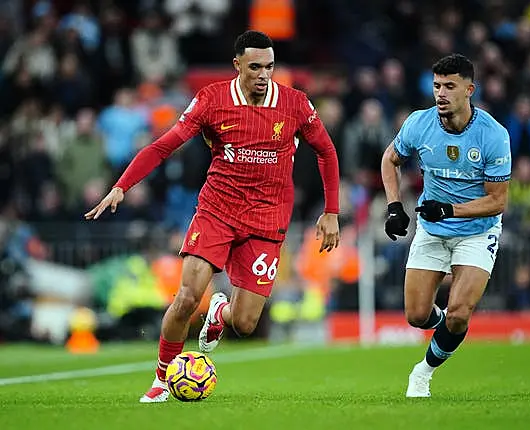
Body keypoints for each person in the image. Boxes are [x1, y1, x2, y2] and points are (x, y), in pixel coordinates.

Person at [85, 30, 341, 403]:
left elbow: (327, 152)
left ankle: (221, 311)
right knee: (187, 297)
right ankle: (161, 378)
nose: (263, 75)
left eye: (270, 67)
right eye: (255, 67)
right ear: (237, 65)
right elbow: (163, 146)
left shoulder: (295, 104)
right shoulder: (212, 100)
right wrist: (122, 186)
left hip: (268, 218)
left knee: (246, 323)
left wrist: (332, 211)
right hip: (217, 211)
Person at [380, 53, 511, 398]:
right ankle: (445, 331)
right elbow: (389, 159)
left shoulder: (493, 135)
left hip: (478, 231)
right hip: (432, 229)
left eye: (450, 86)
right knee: (416, 315)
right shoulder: (419, 124)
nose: (441, 93)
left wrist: (450, 209)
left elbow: (498, 201)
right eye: (437, 85)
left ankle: (423, 372)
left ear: (470, 89)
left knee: (458, 314)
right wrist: (395, 206)